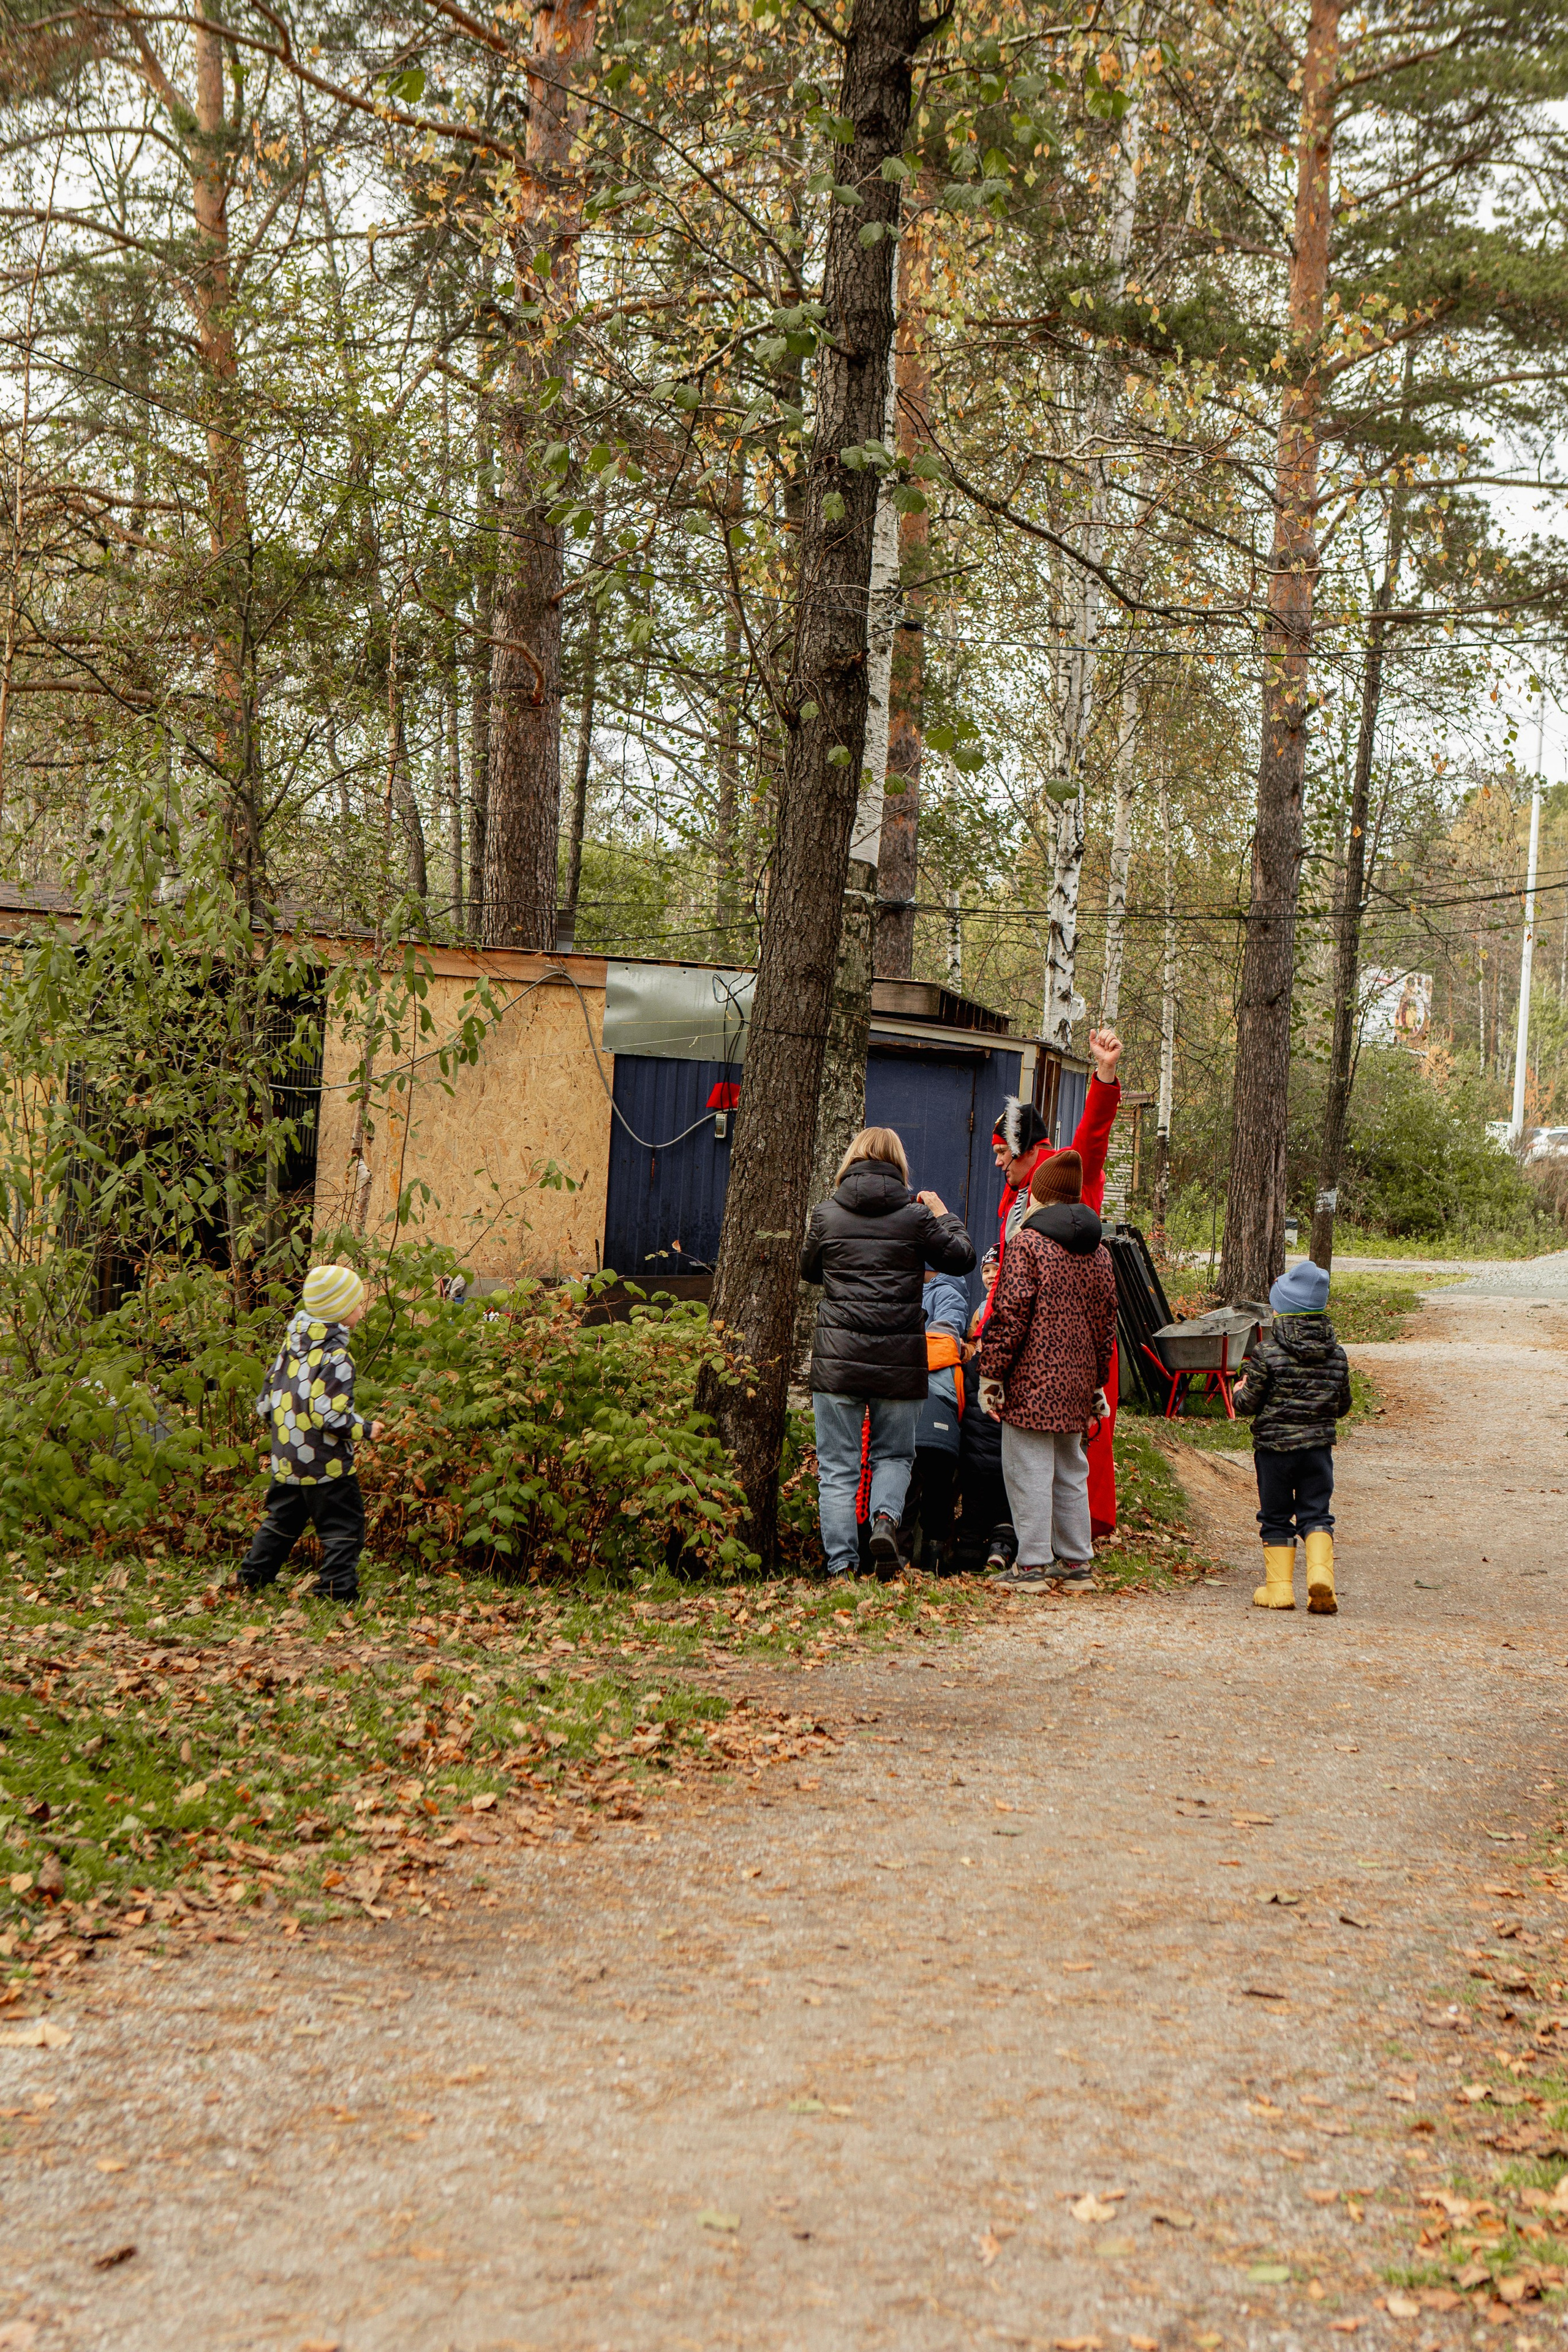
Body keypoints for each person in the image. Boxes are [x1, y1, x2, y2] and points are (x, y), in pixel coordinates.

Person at [799, 1126, 976, 1580]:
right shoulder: (915, 1218)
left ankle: (840, 1567)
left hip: (838, 1361)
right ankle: (884, 1522)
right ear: (898, 1165)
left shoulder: (826, 1214)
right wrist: (943, 1215)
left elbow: (809, 1270)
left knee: (838, 1468)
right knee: (894, 1456)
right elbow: (961, 1259)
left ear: (851, 1160)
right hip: (899, 1359)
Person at [984, 1028, 1123, 1540]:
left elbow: (1093, 1134)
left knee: (1058, 1453)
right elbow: (1013, 1260)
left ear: (1026, 1150)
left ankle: (1054, 1548)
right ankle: (1043, 1544)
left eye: (1003, 1151)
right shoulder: (1015, 1194)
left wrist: (1104, 1073)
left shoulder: (1067, 1175)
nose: (998, 1162)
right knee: (1039, 1451)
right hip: (1030, 1338)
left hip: (1064, 1340)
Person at [977, 1150, 1117, 1594]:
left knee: (1028, 1469)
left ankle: (1032, 1564)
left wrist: (991, 1373)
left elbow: (1009, 1314)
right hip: (1078, 1382)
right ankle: (1077, 1563)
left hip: (1032, 1380)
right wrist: (1097, 1382)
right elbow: (1105, 1324)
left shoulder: (1027, 1244)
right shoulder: (1099, 1252)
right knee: (1071, 1469)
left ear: (1040, 1195)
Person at [236, 1263, 384, 1606]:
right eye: (358, 1304)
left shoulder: (292, 1344)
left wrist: (286, 1430)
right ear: (340, 1311)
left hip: (286, 1457)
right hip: (325, 1463)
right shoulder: (336, 1356)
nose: (362, 1310)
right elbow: (329, 1415)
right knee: (343, 1527)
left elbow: (265, 1399)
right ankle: (336, 1589)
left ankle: (252, 1577)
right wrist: (365, 1429)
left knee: (282, 1521)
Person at [1233, 1257, 1352, 1615]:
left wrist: (1239, 1390)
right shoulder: (1337, 1355)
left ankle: (1280, 1589)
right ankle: (1322, 1579)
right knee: (1317, 1514)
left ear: (1281, 1310)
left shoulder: (1267, 1353)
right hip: (1318, 1451)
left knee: (1276, 1515)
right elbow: (1342, 1405)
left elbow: (1247, 1404)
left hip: (1275, 1451)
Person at [905, 1264, 970, 1574]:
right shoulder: (915, 1290)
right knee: (932, 1488)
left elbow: (947, 1331)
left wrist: (906, 1350)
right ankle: (928, 1560)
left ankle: (909, 1557)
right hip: (934, 1400)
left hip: (928, 1395)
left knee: (916, 1481)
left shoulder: (946, 1292)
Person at [957, 1284, 1015, 1575]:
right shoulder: (1018, 1372)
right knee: (1006, 1510)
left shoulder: (970, 1369)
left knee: (973, 1512)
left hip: (974, 1461)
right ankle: (1000, 1551)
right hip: (1008, 1460)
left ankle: (967, 1557)